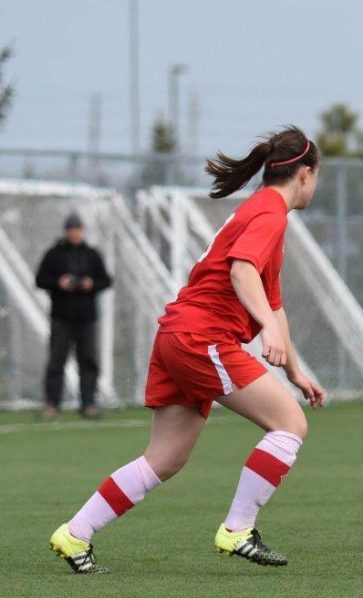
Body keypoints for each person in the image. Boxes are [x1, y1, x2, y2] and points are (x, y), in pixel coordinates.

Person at [49, 125, 326, 574]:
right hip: (202, 337)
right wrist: (269, 338)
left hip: (179, 336)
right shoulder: (270, 215)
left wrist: (294, 369)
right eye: (318, 177)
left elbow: (273, 305)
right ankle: (238, 529)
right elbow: (241, 273)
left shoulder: (262, 212)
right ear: (306, 174)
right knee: (289, 424)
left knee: (165, 458)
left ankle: (74, 534)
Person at [35, 213, 112, 421]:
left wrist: (91, 284)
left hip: (86, 317)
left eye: (78, 229)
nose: (75, 233)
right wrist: (58, 283)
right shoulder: (54, 254)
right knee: (56, 360)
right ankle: (52, 404)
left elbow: (106, 280)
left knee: (88, 360)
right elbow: (40, 280)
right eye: (72, 230)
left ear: (82, 231)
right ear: (66, 231)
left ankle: (88, 403)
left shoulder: (92, 255)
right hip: (61, 316)